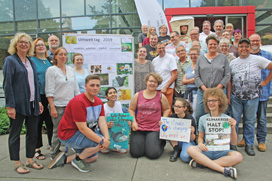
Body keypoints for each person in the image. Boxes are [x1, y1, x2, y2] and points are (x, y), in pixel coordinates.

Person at [48, 75, 110, 172]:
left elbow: (102, 121)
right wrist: (102, 141)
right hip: (68, 135)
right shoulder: (78, 102)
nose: (95, 88)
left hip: (80, 133)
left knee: (93, 157)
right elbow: (82, 128)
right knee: (98, 143)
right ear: (85, 86)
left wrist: (107, 138)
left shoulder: (98, 101)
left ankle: (65, 159)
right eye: (92, 85)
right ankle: (78, 159)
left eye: (97, 85)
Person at [3, 32, 44, 174]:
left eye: (26, 42)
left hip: (32, 103)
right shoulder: (10, 60)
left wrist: (38, 101)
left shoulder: (30, 60)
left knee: (32, 133)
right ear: (15, 44)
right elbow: (7, 84)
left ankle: (30, 159)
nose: (24, 44)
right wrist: (10, 106)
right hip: (18, 104)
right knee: (15, 134)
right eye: (21, 42)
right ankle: (17, 162)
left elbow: (35, 84)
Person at [187, 88, 243, 179]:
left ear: (219, 102)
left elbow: (233, 142)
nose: (211, 103)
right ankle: (224, 170)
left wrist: (233, 128)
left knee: (238, 156)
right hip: (207, 149)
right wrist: (200, 143)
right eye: (209, 101)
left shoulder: (227, 119)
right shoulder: (203, 119)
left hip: (222, 150)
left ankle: (203, 164)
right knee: (191, 149)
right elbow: (200, 137)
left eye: (213, 100)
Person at [229, 38, 272, 156]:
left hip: (252, 97)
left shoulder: (257, 59)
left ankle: (249, 144)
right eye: (241, 46)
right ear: (238, 48)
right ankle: (233, 144)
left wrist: (265, 82)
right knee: (235, 121)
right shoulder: (233, 62)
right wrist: (229, 96)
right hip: (236, 97)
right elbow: (230, 80)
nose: (244, 49)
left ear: (249, 47)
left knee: (250, 121)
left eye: (246, 46)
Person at [45, 47, 80, 160]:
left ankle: (71, 148)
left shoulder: (70, 70)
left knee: (72, 129)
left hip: (70, 106)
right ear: (55, 56)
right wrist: (52, 107)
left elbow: (76, 89)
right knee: (57, 130)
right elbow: (49, 90)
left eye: (65, 54)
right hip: (57, 106)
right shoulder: (51, 70)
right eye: (60, 54)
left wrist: (79, 103)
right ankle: (54, 153)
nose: (63, 56)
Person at [129, 72, 171, 159]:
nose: (152, 83)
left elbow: (167, 109)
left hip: (154, 128)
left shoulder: (161, 96)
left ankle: (160, 142)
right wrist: (134, 122)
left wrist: (164, 119)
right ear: (146, 82)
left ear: (157, 84)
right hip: (139, 127)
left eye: (155, 82)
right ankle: (146, 143)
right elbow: (131, 109)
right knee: (136, 153)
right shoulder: (138, 95)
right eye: (150, 81)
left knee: (152, 155)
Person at [195, 35, 230, 126]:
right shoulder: (200, 58)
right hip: (203, 92)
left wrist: (217, 88)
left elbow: (227, 75)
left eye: (215, 44)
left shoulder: (223, 58)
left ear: (218, 45)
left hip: (219, 92)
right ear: (207, 45)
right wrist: (205, 89)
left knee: (219, 114)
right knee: (199, 114)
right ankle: (201, 136)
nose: (212, 46)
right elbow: (196, 76)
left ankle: (219, 137)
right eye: (210, 44)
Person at [32, 37, 53, 160]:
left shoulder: (49, 61)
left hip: (49, 96)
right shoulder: (32, 61)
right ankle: (37, 149)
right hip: (38, 96)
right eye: (37, 45)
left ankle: (52, 145)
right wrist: (37, 99)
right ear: (34, 48)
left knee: (50, 122)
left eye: (42, 45)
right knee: (38, 123)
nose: (41, 46)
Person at [168, 98, 196, 162]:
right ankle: (176, 149)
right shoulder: (172, 117)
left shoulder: (190, 118)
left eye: (179, 107)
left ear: (185, 108)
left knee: (185, 157)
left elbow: (193, 138)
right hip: (176, 140)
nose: (176, 108)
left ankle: (192, 155)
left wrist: (191, 133)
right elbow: (167, 133)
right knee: (169, 131)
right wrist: (163, 126)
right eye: (175, 106)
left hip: (187, 140)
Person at [152, 42, 178, 108]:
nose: (161, 49)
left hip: (167, 89)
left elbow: (174, 74)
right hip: (157, 89)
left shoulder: (171, 58)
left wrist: (165, 87)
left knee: (167, 109)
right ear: (156, 50)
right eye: (159, 48)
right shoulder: (154, 61)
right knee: (157, 109)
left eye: (163, 47)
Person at [102, 87, 126, 153]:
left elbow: (121, 117)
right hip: (106, 129)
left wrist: (128, 121)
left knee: (123, 127)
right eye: (110, 93)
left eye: (114, 92)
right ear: (106, 96)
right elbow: (100, 123)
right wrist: (106, 125)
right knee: (105, 150)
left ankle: (118, 145)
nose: (113, 94)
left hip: (116, 127)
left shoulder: (118, 104)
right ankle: (103, 145)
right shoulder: (103, 107)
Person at [182, 48, 200, 117]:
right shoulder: (188, 67)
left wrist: (188, 81)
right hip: (187, 93)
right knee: (187, 111)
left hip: (196, 93)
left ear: (199, 55)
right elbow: (183, 81)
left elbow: (198, 80)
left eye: (195, 54)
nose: (193, 56)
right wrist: (193, 80)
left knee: (195, 112)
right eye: (191, 54)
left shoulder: (200, 66)